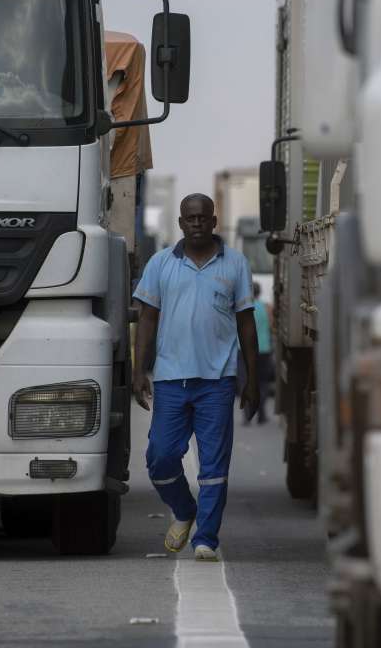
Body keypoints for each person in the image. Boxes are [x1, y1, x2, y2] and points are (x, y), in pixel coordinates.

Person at [133, 193, 260, 561]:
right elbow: (147, 318)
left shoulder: (235, 264)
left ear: (214, 221)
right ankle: (184, 510)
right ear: (181, 223)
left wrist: (250, 378)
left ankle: (206, 538)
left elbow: (246, 323)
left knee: (214, 465)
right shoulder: (160, 264)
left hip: (217, 380)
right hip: (171, 378)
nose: (198, 224)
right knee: (160, 456)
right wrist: (141, 369)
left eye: (203, 218)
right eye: (191, 218)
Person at [241, 282, 274, 425]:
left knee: (246, 381)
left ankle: (248, 414)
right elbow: (273, 326)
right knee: (262, 382)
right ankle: (261, 414)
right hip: (263, 350)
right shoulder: (266, 308)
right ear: (259, 292)